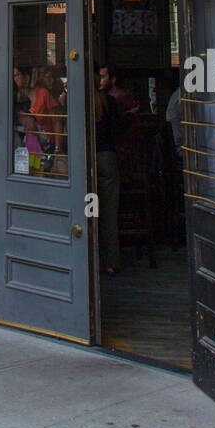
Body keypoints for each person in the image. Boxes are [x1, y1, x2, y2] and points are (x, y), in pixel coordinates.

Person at [94, 70, 122, 275]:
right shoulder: (109, 102)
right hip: (107, 157)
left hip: (86, 158)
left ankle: (89, 259)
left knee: (89, 211)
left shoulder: (78, 99)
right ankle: (110, 262)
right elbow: (117, 130)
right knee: (109, 211)